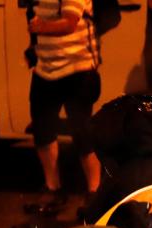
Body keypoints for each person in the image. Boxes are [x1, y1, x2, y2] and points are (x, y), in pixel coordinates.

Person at [24, 0, 103, 216]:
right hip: (45, 68)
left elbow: (69, 22)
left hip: (78, 67)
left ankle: (94, 192)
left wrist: (41, 27)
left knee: (82, 131)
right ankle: (53, 188)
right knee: (42, 128)